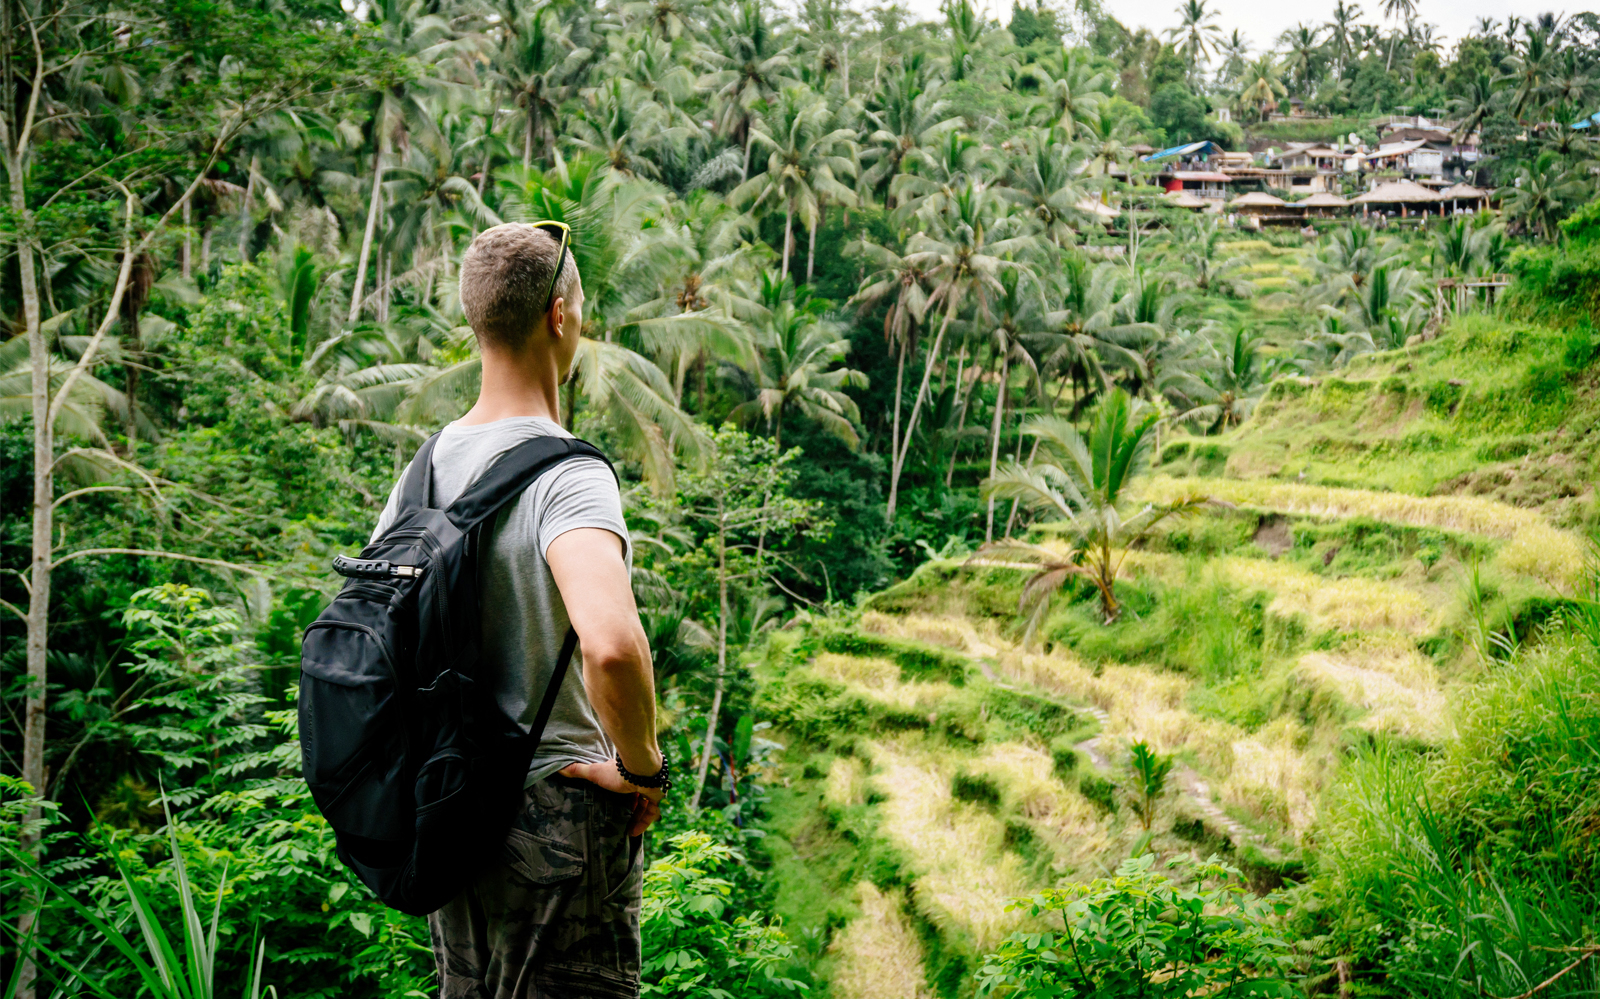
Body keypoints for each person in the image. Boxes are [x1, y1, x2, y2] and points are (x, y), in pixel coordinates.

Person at [369, 222, 666, 998]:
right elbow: (611, 646)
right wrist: (641, 767)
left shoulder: (423, 471)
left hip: (452, 811)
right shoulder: (568, 476)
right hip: (556, 818)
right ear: (560, 317)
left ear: (476, 321)